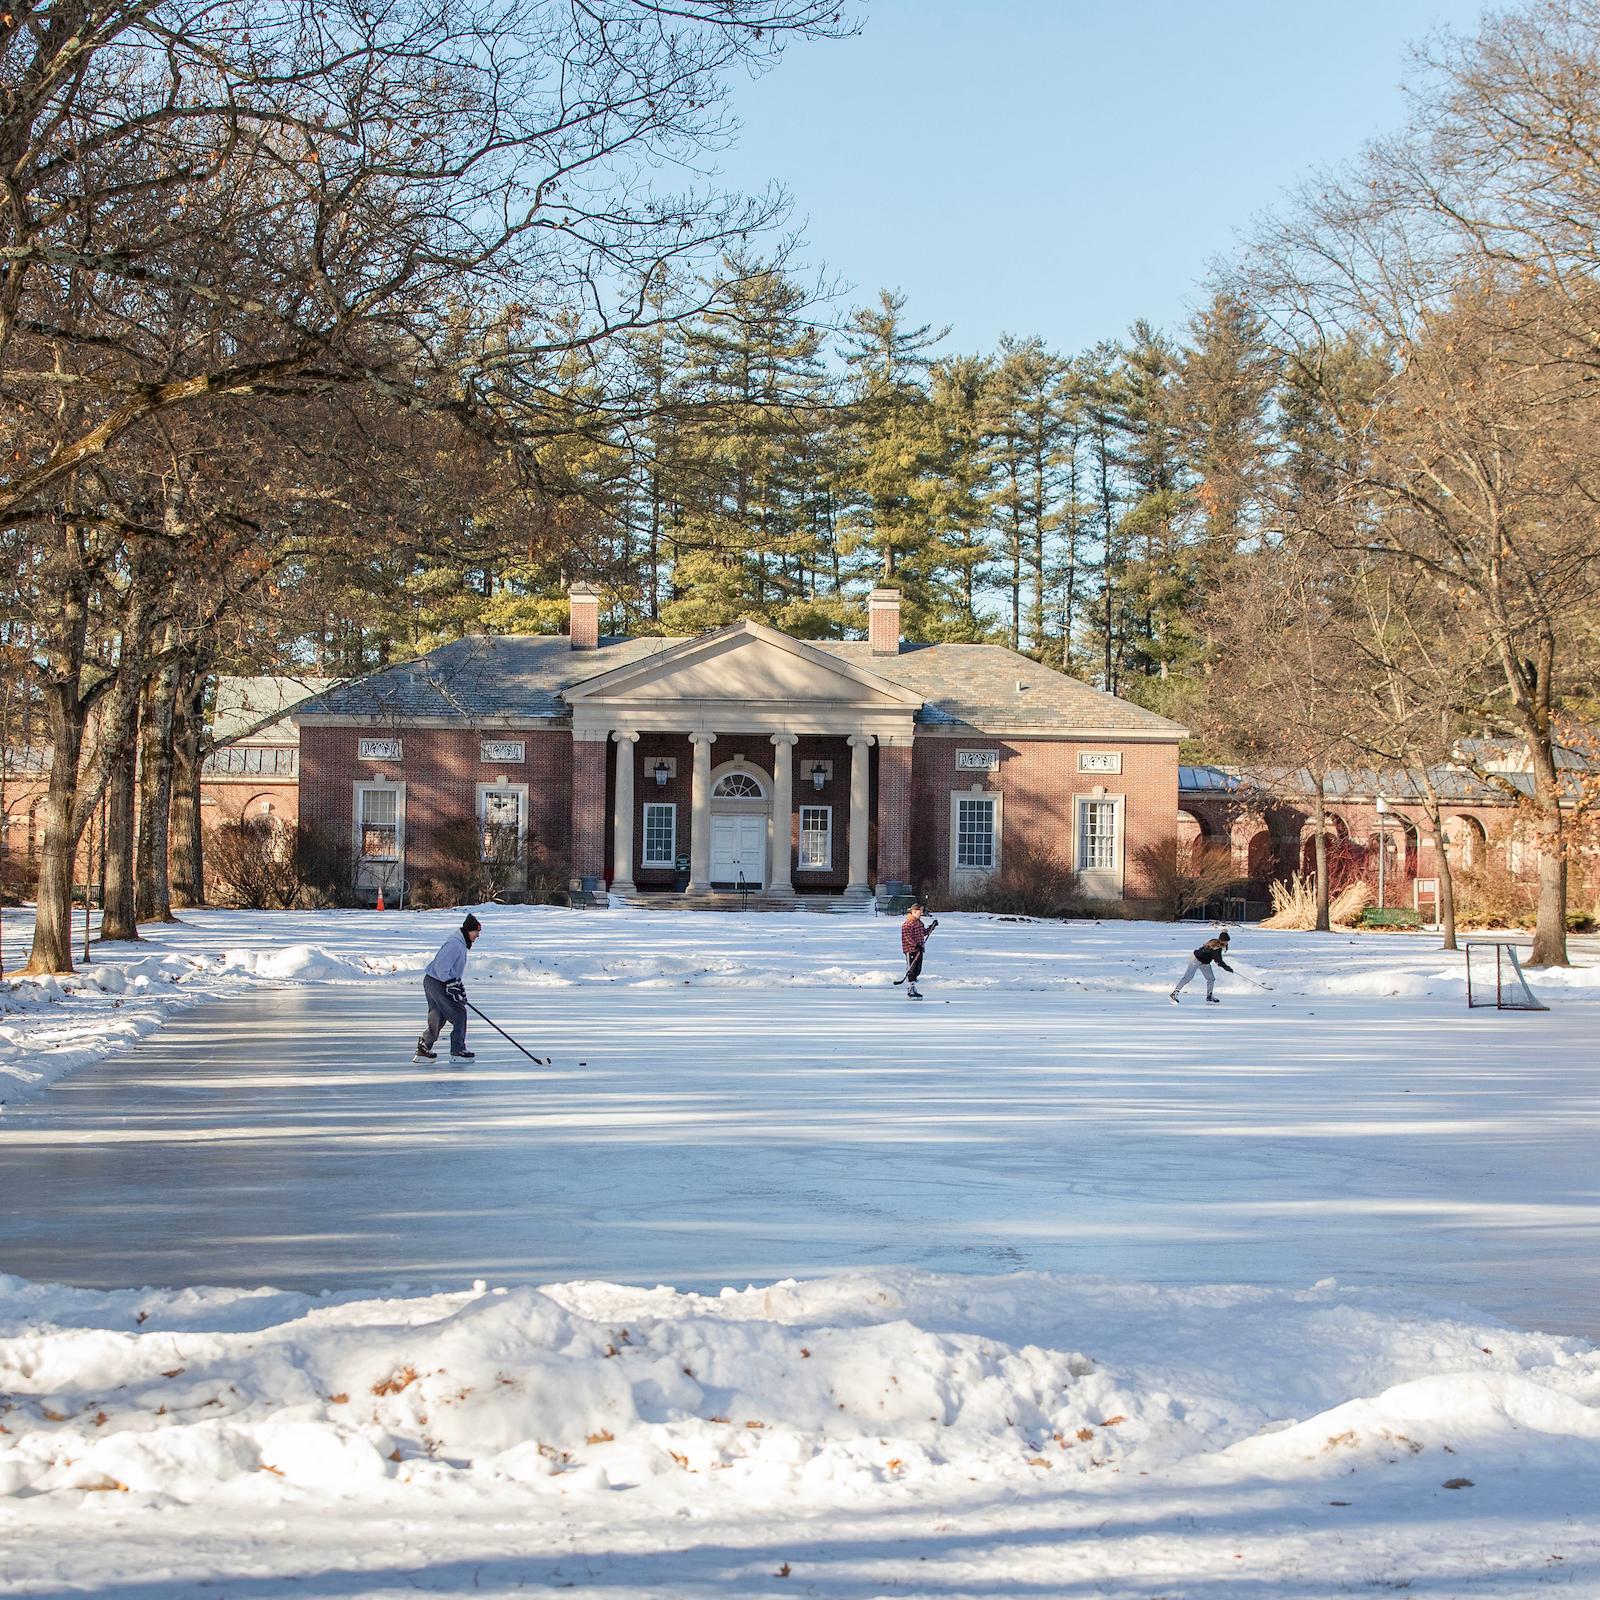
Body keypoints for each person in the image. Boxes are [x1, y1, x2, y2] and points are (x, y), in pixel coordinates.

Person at [417, 913, 481, 1060]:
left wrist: (458, 986)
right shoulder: (455, 944)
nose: (477, 936)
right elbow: (441, 968)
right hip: (437, 982)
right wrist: (451, 984)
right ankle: (457, 1050)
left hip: (433, 981)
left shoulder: (460, 944)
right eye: (475, 932)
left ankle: (424, 1046)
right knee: (459, 1013)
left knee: (438, 1016)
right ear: (468, 931)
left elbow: (450, 971)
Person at [1170, 929, 1233, 1004]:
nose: (1227, 943)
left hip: (1205, 962)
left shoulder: (1215, 942)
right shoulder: (1216, 947)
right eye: (1226, 941)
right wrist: (1227, 968)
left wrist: (1220, 964)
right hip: (1195, 959)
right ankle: (1174, 994)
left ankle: (1209, 996)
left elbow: (1216, 959)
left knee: (1211, 978)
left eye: (1227, 941)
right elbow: (1219, 960)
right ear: (1222, 940)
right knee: (1188, 977)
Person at [898, 902, 938, 1000]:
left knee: (917, 969)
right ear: (914, 912)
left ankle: (913, 988)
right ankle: (910, 990)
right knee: (911, 969)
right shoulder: (908, 924)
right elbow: (907, 937)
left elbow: (923, 933)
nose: (921, 913)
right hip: (911, 950)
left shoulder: (919, 923)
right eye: (920, 911)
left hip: (919, 950)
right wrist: (916, 945)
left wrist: (931, 927)